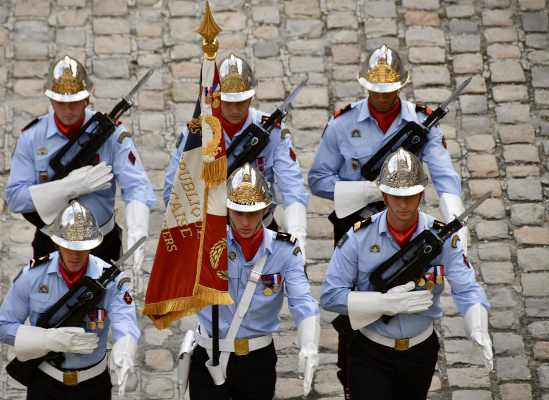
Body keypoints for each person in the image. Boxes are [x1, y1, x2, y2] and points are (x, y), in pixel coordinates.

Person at [307, 44, 468, 395]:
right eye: (376, 90)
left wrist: (455, 215)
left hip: (409, 229)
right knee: (353, 308)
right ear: (365, 85)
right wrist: (369, 191)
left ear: (402, 86)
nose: (383, 96)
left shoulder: (419, 123)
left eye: (390, 89)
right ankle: (353, 379)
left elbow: (443, 173)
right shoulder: (342, 124)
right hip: (357, 227)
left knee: (408, 296)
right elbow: (318, 180)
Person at [320, 148, 493, 400]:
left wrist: (477, 325)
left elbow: (466, 289)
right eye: (395, 195)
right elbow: (331, 296)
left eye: (410, 196)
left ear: (422, 193)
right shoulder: (358, 237)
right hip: (370, 350)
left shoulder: (443, 238)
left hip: (420, 352)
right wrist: (384, 303)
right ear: (383, 194)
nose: (403, 204)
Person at [6, 55, 155, 273]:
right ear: (49, 99)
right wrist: (67, 188)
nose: (68, 110)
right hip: (52, 243)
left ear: (87, 98)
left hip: (102, 244)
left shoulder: (112, 135)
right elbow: (16, 198)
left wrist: (138, 226)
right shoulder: (32, 137)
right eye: (61, 102)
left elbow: (137, 186)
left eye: (75, 102)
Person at [186, 163, 320, 399]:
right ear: (227, 208)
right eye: (238, 212)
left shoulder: (286, 249)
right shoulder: (204, 244)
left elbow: (301, 300)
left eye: (252, 213)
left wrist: (309, 342)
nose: (245, 222)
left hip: (258, 361)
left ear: (266, 208)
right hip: (210, 355)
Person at [164, 53, 308, 260]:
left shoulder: (273, 131)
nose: (234, 109)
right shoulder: (196, 134)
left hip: (261, 230)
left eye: (240, 101)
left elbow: (292, 188)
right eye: (227, 101)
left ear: (251, 96)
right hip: (212, 236)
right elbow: (172, 192)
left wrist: (298, 237)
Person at [0, 200, 140, 399]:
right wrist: (50, 340)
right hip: (44, 382)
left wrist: (124, 353)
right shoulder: (33, 276)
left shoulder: (113, 281)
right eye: (68, 246)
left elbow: (125, 323)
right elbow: (4, 327)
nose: (75, 254)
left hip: (93, 384)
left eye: (83, 247)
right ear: (56, 243)